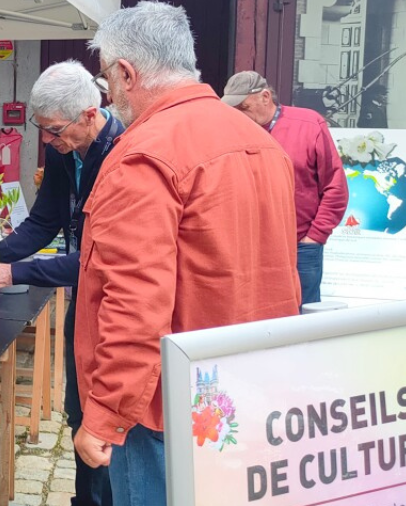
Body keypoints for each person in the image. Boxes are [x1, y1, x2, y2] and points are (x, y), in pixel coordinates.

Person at [76, 3, 302, 504]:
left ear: (127, 73)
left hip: (168, 411)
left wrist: (106, 416)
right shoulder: (261, 142)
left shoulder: (142, 155)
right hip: (250, 389)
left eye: (107, 79)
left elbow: (134, 303)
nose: (108, 93)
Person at [0, 59, 123, 506]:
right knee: (78, 412)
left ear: (91, 113)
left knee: (109, 428)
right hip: (83, 305)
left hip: (120, 308)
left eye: (54, 130)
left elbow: (94, 260)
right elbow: (43, 222)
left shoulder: (124, 151)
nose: (48, 141)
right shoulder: (61, 149)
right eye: (41, 129)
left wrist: (11, 272)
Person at [222, 71, 349, 305]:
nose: (239, 115)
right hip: (251, 247)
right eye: (234, 110)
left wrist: (315, 236)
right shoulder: (232, 132)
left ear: (265, 97)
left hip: (300, 244)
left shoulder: (309, 124)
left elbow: (335, 185)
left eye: (244, 107)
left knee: (303, 320)